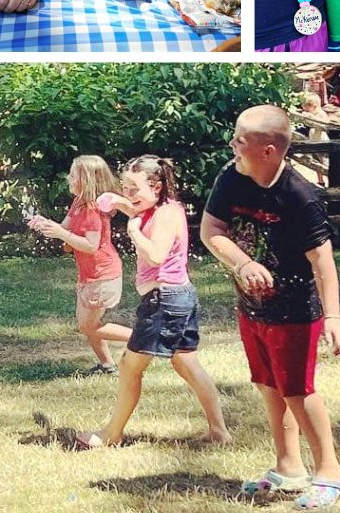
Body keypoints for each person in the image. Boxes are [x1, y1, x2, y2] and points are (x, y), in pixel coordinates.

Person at [201, 105, 340, 510]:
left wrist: (333, 316)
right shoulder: (232, 175)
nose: (232, 146)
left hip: (296, 310)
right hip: (251, 306)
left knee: (298, 391)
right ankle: (288, 466)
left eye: (240, 141)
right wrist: (243, 263)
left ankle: (330, 472)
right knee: (269, 386)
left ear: (269, 151)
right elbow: (210, 230)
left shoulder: (299, 195)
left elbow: (322, 259)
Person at [75, 155, 232, 448]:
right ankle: (219, 431)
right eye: (125, 186)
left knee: (129, 366)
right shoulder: (158, 208)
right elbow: (136, 210)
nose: (128, 194)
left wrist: (133, 233)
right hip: (179, 296)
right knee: (186, 364)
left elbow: (157, 254)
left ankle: (111, 433)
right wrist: (118, 202)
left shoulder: (165, 215)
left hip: (165, 301)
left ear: (156, 186)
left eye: (133, 188)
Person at [27, 156, 131, 375]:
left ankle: (142, 338)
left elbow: (91, 246)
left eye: (73, 175)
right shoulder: (79, 202)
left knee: (88, 325)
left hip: (102, 274)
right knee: (87, 324)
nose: (69, 178)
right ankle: (107, 365)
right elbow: (64, 226)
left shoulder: (91, 210)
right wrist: (45, 224)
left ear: (87, 180)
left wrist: (62, 234)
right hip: (91, 274)